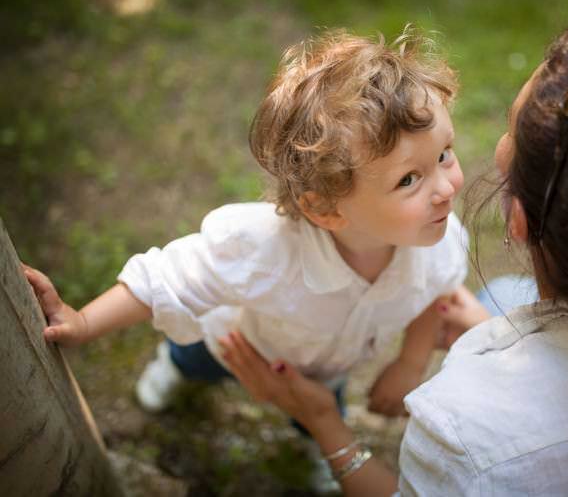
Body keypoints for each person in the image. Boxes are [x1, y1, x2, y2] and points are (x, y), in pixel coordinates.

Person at [218, 17, 568, 496]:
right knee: (505, 300)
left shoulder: (467, 431)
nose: (448, 181)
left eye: (503, 139)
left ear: (518, 220)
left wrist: (325, 423)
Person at [22, 27, 470, 481]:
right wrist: (82, 323)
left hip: (323, 372)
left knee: (320, 408)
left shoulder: (439, 240)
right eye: (409, 179)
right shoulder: (262, 248)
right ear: (325, 208)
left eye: (445, 154)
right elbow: (166, 278)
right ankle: (171, 369)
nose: (446, 188)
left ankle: (329, 448)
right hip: (235, 342)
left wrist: (410, 362)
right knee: (192, 359)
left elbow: (438, 293)